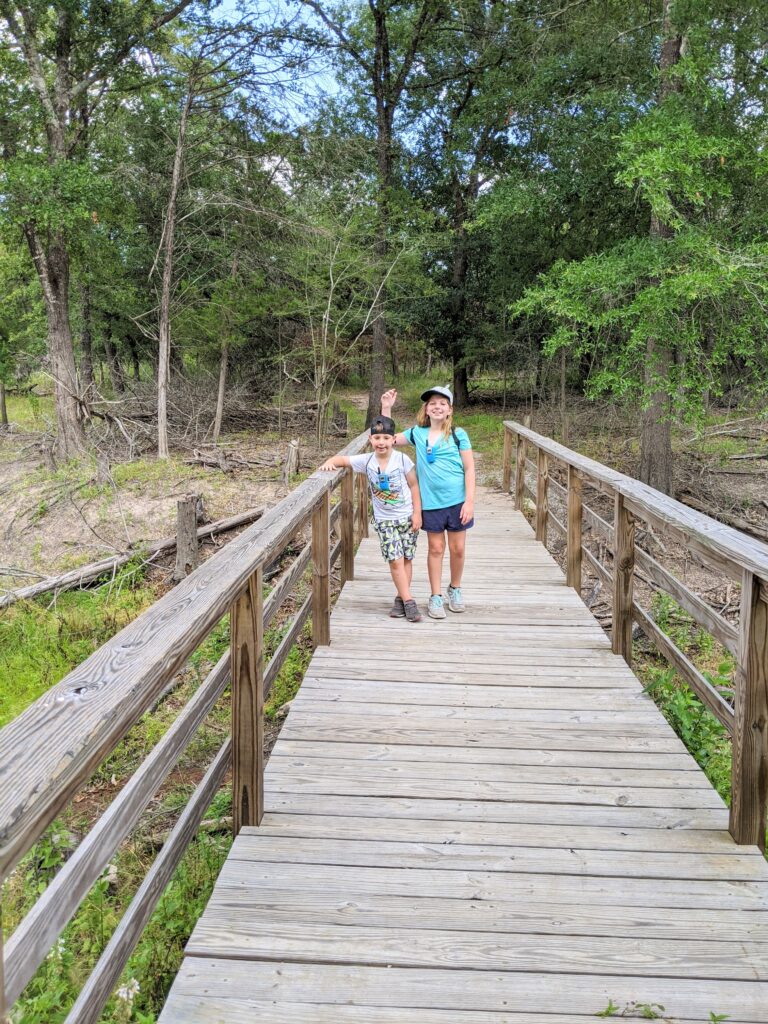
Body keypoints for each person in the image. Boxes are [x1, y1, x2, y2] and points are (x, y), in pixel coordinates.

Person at [380, 386, 474, 619]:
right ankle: (435, 596)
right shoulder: (417, 433)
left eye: (442, 403)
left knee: (458, 549)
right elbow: (388, 439)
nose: (437, 406)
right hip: (430, 503)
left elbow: (470, 469)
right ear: (426, 409)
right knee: (435, 548)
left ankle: (455, 588)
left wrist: (469, 501)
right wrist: (386, 408)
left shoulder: (458, 434)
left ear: (450, 409)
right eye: (432, 403)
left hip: (457, 501)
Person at [319, 414, 423, 622]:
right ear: (371, 440)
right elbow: (342, 460)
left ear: (393, 440)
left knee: (407, 558)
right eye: (377, 438)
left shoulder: (402, 459)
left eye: (386, 438)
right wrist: (330, 462)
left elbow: (414, 486)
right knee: (395, 561)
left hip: (406, 517)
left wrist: (417, 513)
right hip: (385, 521)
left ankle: (400, 598)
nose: (381, 442)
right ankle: (410, 602)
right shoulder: (366, 461)